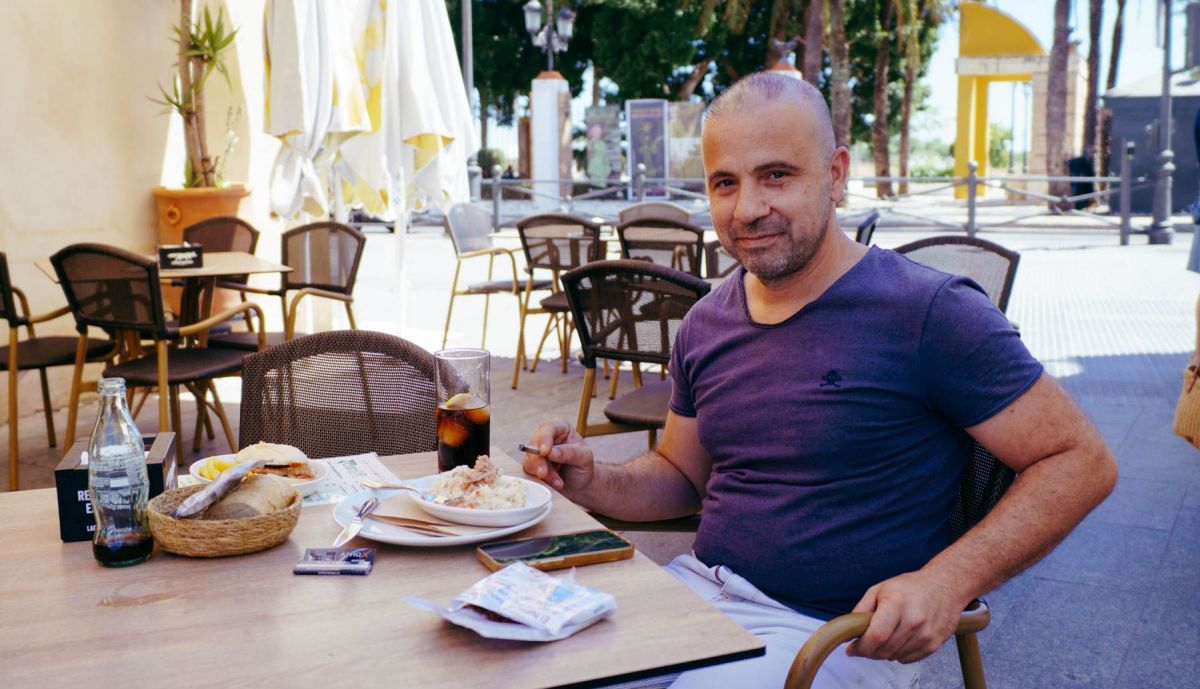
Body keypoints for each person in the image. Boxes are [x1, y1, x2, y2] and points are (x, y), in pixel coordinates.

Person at [522, 72, 1117, 688]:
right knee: (525, 666)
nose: (748, 208)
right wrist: (594, 480)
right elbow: (679, 478)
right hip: (699, 594)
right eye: (726, 182)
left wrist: (948, 580)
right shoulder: (707, 321)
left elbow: (1080, 460)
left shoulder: (929, 310)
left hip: (836, 635)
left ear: (836, 175)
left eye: (776, 175)